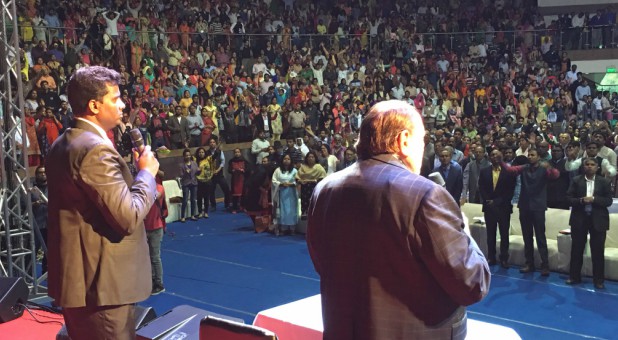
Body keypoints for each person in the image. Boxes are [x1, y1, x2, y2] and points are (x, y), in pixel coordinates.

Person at [307, 100, 490, 340]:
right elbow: (472, 283)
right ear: (404, 141)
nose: (423, 149)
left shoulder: (325, 189)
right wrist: (463, 230)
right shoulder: (424, 194)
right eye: (421, 141)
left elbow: (324, 264)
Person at [46, 66, 159, 340]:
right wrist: (146, 173)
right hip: (102, 287)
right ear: (95, 105)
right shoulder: (94, 149)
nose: (123, 105)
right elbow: (127, 216)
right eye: (116, 98)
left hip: (84, 280)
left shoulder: (65, 142)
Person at [503, 149, 559, 276]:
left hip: (538, 207)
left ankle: (545, 265)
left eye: (533, 155)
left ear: (539, 157)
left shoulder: (544, 168)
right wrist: (501, 161)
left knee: (540, 237)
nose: (530, 157)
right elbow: (510, 170)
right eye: (529, 155)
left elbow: (556, 175)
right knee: (527, 237)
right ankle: (529, 263)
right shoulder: (524, 167)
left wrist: (549, 166)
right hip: (524, 206)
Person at [566, 157, 613, 289]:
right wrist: (581, 201)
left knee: (597, 251)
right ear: (583, 166)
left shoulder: (604, 182)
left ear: (597, 167)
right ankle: (574, 276)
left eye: (593, 164)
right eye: (587, 164)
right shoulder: (576, 180)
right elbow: (569, 199)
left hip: (598, 220)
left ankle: (598, 280)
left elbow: (608, 201)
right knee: (576, 249)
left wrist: (594, 199)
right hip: (579, 218)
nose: (590, 166)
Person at [478, 149, 517, 268]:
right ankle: (491, 257)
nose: (494, 156)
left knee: (504, 234)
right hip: (489, 207)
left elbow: (510, 191)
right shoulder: (484, 171)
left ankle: (504, 258)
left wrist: (496, 201)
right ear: (489, 157)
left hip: (503, 207)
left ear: (501, 156)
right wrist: (488, 200)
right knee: (490, 234)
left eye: (497, 154)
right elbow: (481, 187)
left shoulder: (509, 172)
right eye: (492, 155)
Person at [144, 181, 168, 295]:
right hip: (145, 228)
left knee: (155, 257)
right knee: (148, 257)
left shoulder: (159, 188)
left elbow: (155, 196)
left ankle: (159, 284)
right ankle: (151, 280)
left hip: (156, 228)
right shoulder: (142, 188)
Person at [271, 154, 299, 236]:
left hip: (292, 193)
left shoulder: (294, 171)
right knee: (283, 210)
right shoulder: (278, 170)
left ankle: (292, 228)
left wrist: (291, 184)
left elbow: (298, 180)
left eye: (288, 159)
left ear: (291, 161)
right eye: (285, 159)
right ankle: (283, 228)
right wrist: (281, 184)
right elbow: (274, 180)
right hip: (281, 193)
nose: (286, 160)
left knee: (292, 210)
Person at [179, 148, 199, 222]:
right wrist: (185, 173)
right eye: (186, 155)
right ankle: (183, 216)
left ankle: (192, 215)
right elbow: (181, 176)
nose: (188, 156)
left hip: (194, 183)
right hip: (186, 184)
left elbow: (197, 173)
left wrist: (199, 171)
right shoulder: (181, 165)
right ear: (184, 156)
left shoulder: (194, 163)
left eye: (189, 155)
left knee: (193, 200)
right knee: (185, 200)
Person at [227, 148, 250, 213]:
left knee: (244, 194)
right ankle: (234, 208)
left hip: (242, 179)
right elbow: (229, 170)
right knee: (235, 194)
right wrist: (232, 171)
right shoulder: (231, 161)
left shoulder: (245, 161)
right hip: (234, 180)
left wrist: (243, 170)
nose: (237, 153)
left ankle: (244, 206)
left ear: (240, 153)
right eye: (235, 152)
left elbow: (248, 170)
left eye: (238, 152)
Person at [195, 147, 214, 218]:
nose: (201, 154)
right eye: (199, 152)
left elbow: (215, 155)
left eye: (202, 152)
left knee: (206, 197)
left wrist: (218, 148)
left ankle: (206, 212)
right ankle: (200, 212)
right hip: (198, 181)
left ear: (205, 153)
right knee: (199, 197)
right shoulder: (195, 161)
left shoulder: (208, 159)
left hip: (207, 180)